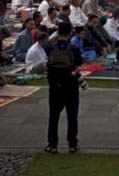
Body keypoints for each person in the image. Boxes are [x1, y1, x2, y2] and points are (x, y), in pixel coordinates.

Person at [46, 22, 83, 154]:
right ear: (70, 32)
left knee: (54, 115)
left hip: (55, 85)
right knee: (72, 116)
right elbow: (79, 62)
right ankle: (72, 143)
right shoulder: (74, 48)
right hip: (71, 84)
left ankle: (52, 144)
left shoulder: (51, 48)